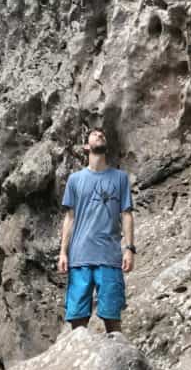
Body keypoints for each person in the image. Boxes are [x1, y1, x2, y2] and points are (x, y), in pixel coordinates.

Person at [57, 128, 136, 333]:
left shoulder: (120, 178)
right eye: (94, 135)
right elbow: (70, 218)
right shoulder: (75, 180)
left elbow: (126, 214)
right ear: (86, 146)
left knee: (112, 317)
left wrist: (129, 249)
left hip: (109, 256)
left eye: (103, 134)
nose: (100, 135)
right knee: (77, 321)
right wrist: (63, 252)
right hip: (80, 256)